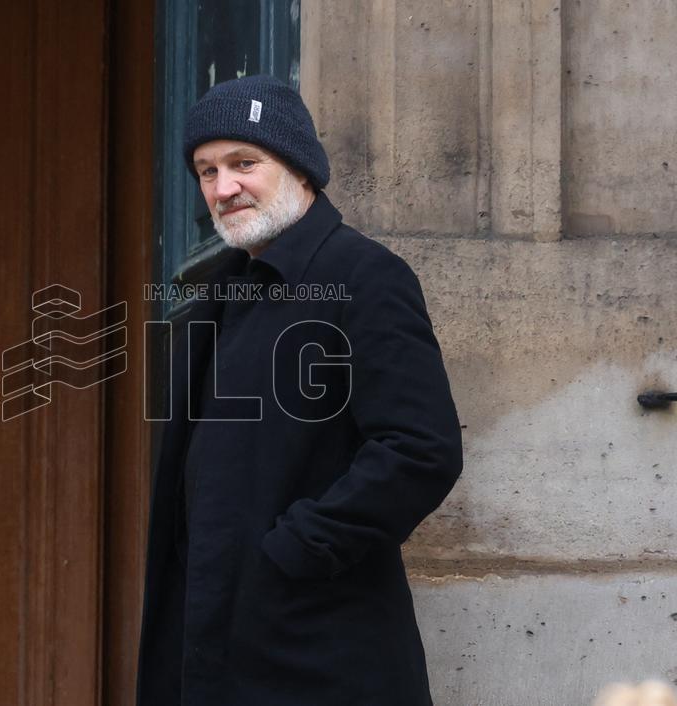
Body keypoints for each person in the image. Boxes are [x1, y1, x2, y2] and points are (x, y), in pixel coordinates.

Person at [136, 74, 463, 705]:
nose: (223, 187)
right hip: (216, 648)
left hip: (317, 653)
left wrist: (293, 553)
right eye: (206, 171)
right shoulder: (219, 300)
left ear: (302, 170)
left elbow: (420, 449)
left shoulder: (365, 276)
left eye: (244, 163)